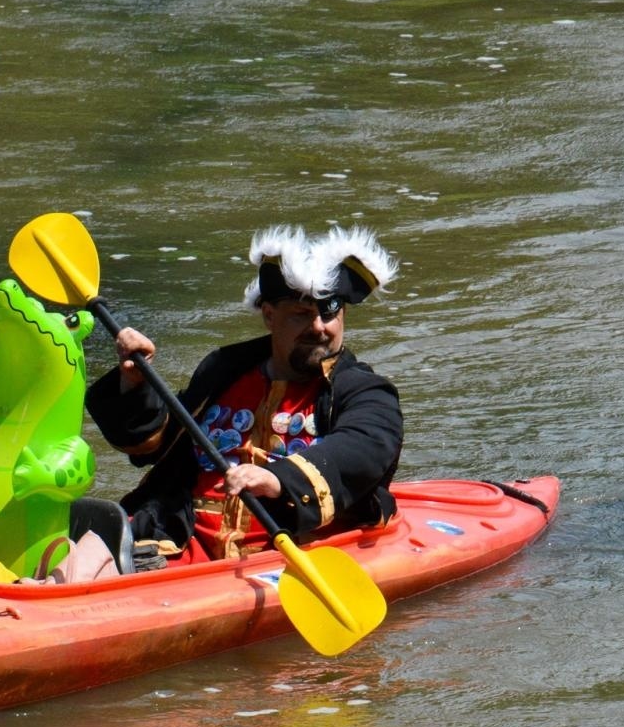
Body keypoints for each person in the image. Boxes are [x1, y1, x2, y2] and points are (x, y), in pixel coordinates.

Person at [85, 224, 403, 564]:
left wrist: (279, 479)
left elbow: (366, 446)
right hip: (181, 542)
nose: (318, 327)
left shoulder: (365, 389)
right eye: (301, 314)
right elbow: (151, 445)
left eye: (330, 313)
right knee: (88, 549)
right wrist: (135, 382)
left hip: (286, 549)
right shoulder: (223, 370)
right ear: (269, 316)